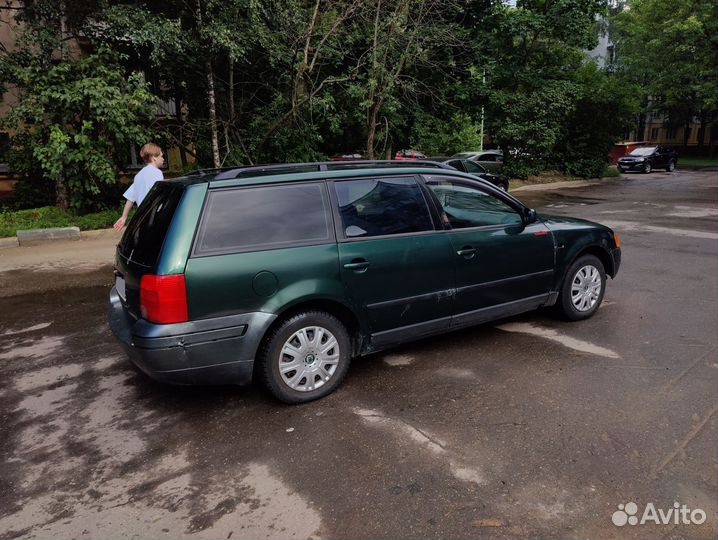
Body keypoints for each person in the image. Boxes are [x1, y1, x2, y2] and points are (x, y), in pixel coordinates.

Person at [113, 143, 165, 231]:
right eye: (161, 156)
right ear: (154, 157)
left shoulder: (138, 175)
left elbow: (130, 198)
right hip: (155, 217)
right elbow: (159, 195)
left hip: (143, 218)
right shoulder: (157, 173)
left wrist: (124, 217)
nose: (163, 159)